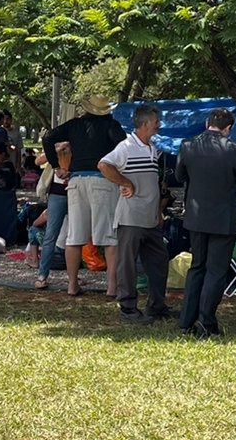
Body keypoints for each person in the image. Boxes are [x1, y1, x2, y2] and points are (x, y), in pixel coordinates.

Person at [176, 107, 236, 339]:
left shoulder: (188, 146)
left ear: (206, 124)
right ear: (228, 129)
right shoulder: (235, 150)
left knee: (197, 267)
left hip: (196, 217)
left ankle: (186, 320)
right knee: (216, 271)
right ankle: (206, 321)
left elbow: (180, 176)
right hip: (224, 218)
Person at [43, 97, 127, 298]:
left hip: (76, 180)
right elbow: (124, 147)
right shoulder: (111, 125)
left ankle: (72, 285)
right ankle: (112, 287)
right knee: (109, 237)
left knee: (75, 236)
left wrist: (56, 166)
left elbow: (47, 138)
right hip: (103, 181)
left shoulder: (74, 125)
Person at [99, 104, 171, 324]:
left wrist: (158, 211)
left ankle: (157, 306)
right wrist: (125, 181)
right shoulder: (126, 147)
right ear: (146, 123)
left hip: (150, 217)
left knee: (159, 261)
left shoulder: (152, 148)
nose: (159, 125)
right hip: (131, 217)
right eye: (156, 121)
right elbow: (104, 164)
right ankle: (128, 309)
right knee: (128, 264)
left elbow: (153, 184)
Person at [33, 141, 72, 290]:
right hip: (58, 193)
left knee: (74, 237)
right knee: (51, 235)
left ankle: (72, 276)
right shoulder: (57, 145)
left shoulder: (80, 144)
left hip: (75, 190)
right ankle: (42, 275)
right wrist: (57, 149)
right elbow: (39, 161)